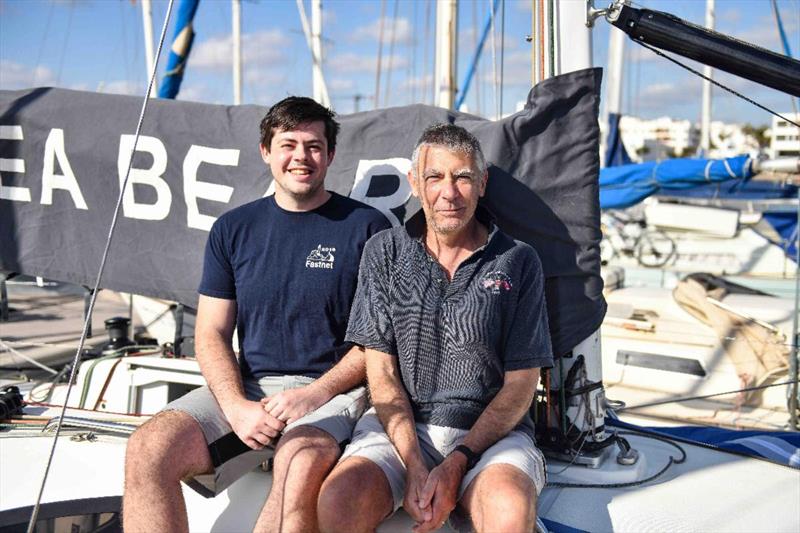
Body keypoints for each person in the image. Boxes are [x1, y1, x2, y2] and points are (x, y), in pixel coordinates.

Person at [123, 96, 391, 533]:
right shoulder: (233, 229)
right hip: (249, 390)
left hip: (332, 393)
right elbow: (210, 332)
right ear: (266, 151)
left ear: (331, 155)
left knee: (297, 460)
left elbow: (378, 343)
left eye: (313, 146)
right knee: (148, 448)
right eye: (288, 144)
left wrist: (314, 395)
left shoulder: (367, 228)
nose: (300, 157)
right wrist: (235, 406)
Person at [317, 124, 553, 533]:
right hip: (401, 431)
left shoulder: (518, 260)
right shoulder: (384, 252)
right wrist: (413, 465)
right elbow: (383, 373)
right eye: (435, 177)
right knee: (340, 498)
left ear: (482, 184)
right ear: (413, 183)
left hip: (490, 436)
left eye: (462, 177)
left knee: (509, 508)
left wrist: (457, 461)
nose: (449, 192)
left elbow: (521, 385)